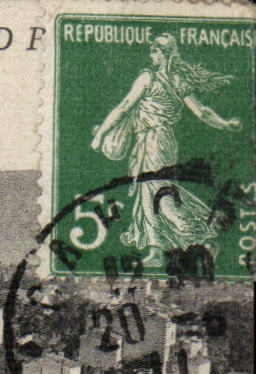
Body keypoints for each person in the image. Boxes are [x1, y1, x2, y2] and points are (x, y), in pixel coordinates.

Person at [89, 33, 242, 266]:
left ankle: (205, 237)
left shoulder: (147, 78)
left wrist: (100, 135)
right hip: (159, 141)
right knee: (146, 192)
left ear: (165, 54)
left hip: (154, 141)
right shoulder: (180, 81)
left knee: (159, 192)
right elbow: (203, 112)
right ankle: (156, 251)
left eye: (155, 51)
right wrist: (225, 124)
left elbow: (124, 107)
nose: (152, 56)